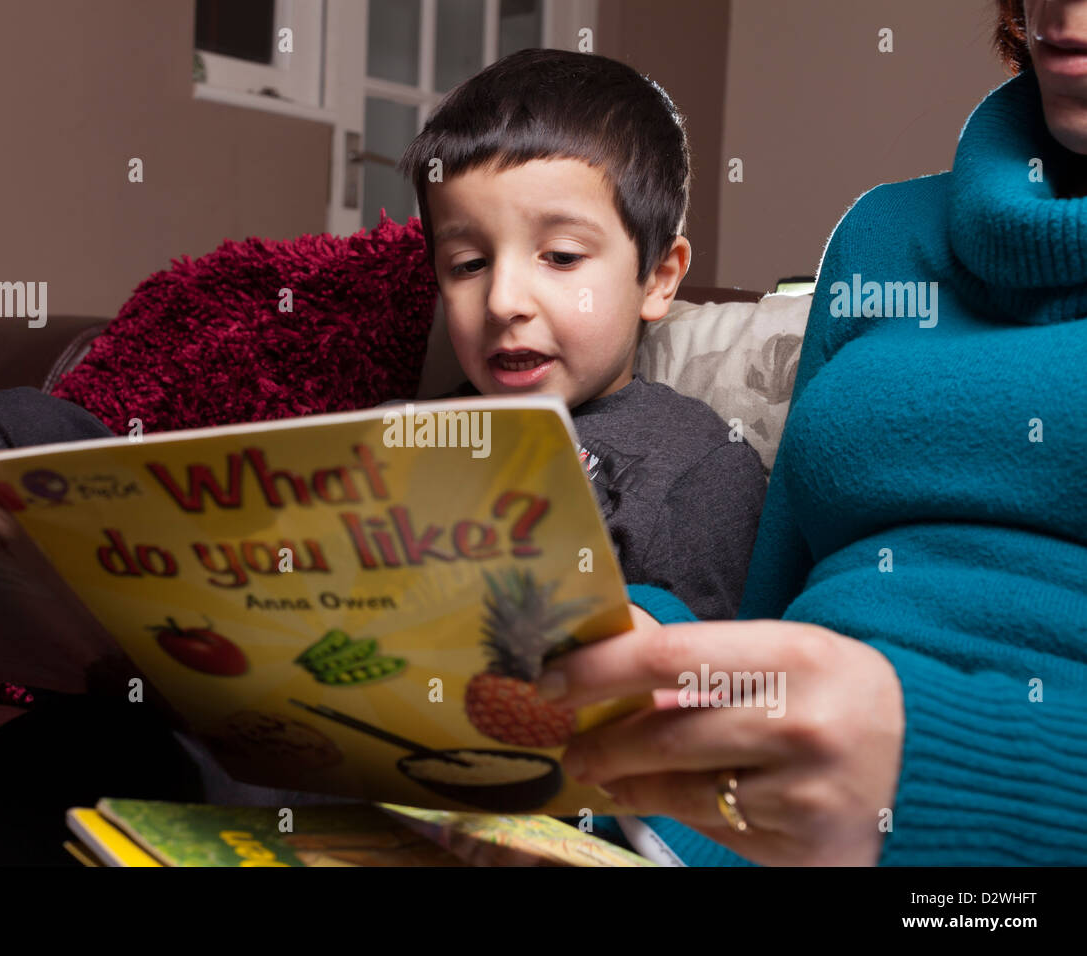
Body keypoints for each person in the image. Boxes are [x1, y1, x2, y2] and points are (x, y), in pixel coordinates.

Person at [532, 0, 1087, 865]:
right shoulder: (880, 237)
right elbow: (776, 606)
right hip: (721, 822)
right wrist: (642, 644)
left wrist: (928, 773)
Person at [396, 49, 767, 620]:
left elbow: (701, 670)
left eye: (562, 257)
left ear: (657, 280)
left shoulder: (697, 468)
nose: (502, 302)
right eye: (468, 264)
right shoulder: (410, 435)